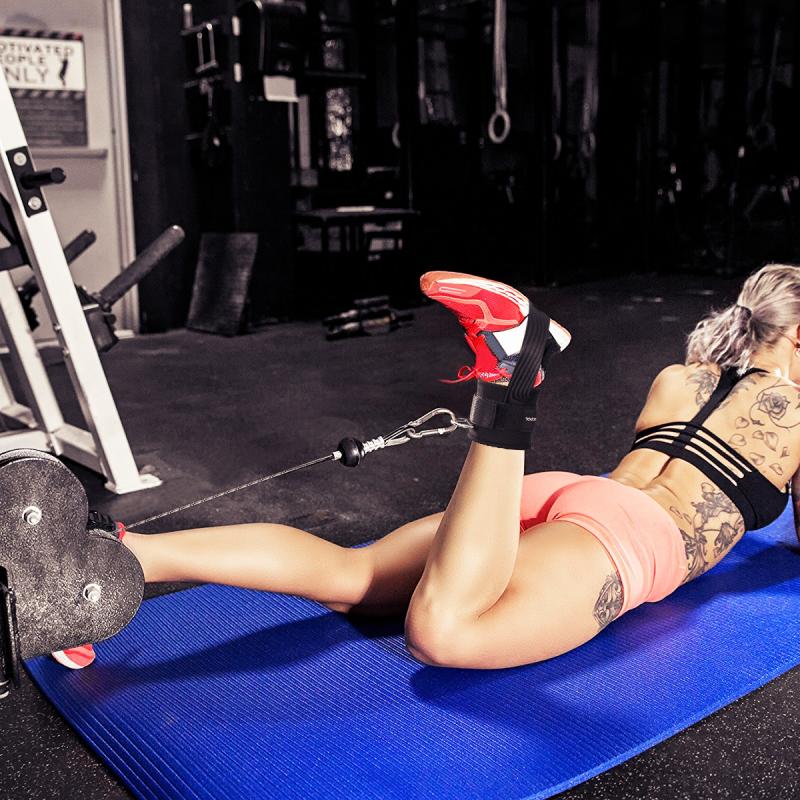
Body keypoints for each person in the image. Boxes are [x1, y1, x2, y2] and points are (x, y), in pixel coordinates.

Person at [53, 265, 800, 671]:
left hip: (573, 495)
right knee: (446, 634)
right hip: (637, 536)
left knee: (359, 578)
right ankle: (512, 381)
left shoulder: (683, 378)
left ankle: (123, 553)